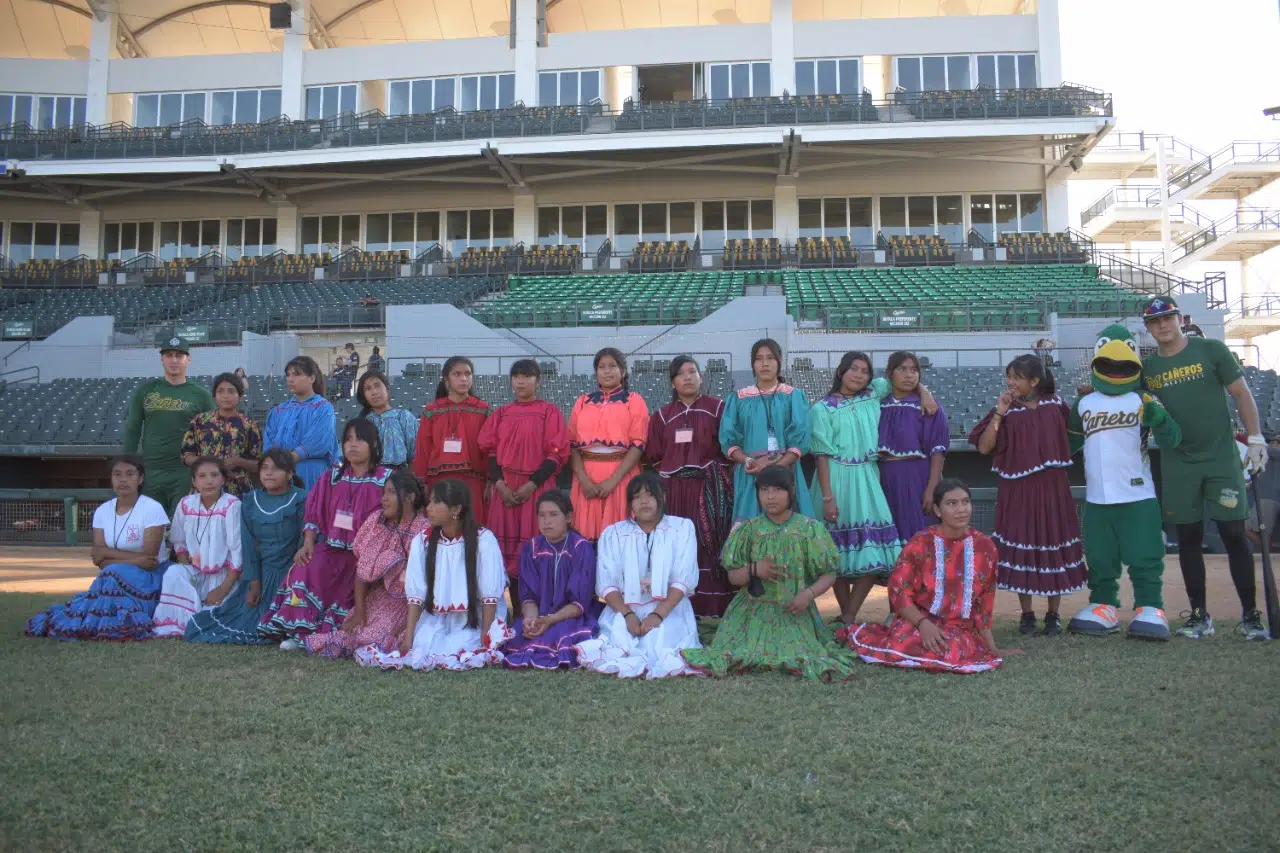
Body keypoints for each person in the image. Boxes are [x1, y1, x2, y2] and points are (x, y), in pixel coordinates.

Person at [1140, 296, 1269, 639]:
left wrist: (1255, 438)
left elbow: (1241, 393)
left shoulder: (1211, 350)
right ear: (1148, 328)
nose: (1162, 325)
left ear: (1180, 319)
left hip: (1220, 458)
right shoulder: (1149, 369)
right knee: (1189, 538)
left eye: (1167, 318)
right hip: (1178, 461)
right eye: (1154, 322)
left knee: (1234, 535)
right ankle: (1200, 616)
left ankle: (1251, 615)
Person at [683, 465, 857, 681]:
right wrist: (754, 569)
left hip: (794, 610)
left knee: (802, 655)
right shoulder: (748, 530)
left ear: (791, 491)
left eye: (777, 490)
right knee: (736, 654)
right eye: (764, 490)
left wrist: (808, 595)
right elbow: (733, 577)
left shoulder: (809, 529)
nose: (770, 497)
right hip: (751, 612)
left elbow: (829, 573)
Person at [1066, 324, 1182, 641]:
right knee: (1101, 557)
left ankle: (1149, 607)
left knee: (1145, 555)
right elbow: (1066, 445)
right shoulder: (1084, 404)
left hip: (1138, 494)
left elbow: (1173, 440)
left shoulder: (1143, 399)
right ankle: (1104, 606)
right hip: (1098, 497)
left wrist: (1160, 419)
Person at [970, 355, 1086, 635]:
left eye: (1017, 377)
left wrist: (1086, 400)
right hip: (1018, 491)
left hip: (1052, 489)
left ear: (1034, 381)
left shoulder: (1056, 405)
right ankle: (1027, 614)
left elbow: (1079, 433)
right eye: (1009, 376)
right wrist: (999, 412)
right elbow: (985, 448)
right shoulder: (1006, 410)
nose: (1010, 382)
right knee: (1024, 546)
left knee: (1052, 544)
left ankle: (1053, 615)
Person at [842, 479, 1003, 674]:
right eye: (951, 503)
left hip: (958, 628)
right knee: (905, 642)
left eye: (965, 502)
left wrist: (991, 647)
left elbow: (985, 600)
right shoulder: (921, 542)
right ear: (937, 510)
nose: (961, 509)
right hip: (917, 622)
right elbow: (898, 590)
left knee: (952, 649)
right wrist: (922, 624)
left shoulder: (985, 547)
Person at [259, 418, 391, 648]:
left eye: (359, 439)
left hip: (366, 555)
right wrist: (308, 542)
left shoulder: (385, 479)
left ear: (374, 444)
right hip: (332, 548)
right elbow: (314, 513)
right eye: (347, 439)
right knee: (303, 568)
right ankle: (299, 632)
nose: (352, 445)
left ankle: (326, 633)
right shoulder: (332, 477)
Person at [358, 478, 511, 671]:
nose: (428, 508)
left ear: (456, 510)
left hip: (476, 617)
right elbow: (416, 595)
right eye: (429, 501)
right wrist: (409, 637)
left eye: (436, 502)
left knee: (458, 648)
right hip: (438, 616)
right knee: (424, 645)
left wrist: (486, 635)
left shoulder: (484, 540)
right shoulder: (422, 541)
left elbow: (490, 596)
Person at [811, 351, 912, 625]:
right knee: (836, 556)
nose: (858, 375)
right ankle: (849, 619)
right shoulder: (823, 408)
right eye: (853, 369)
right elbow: (821, 455)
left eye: (864, 370)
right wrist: (827, 497)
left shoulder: (873, 395)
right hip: (836, 478)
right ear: (841, 371)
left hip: (868, 478)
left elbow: (904, 379)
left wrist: (925, 393)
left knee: (877, 550)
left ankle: (848, 615)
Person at [25, 455, 169, 641]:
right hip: (112, 574)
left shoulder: (152, 508)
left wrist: (109, 554)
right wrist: (135, 558)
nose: (123, 479)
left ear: (140, 479)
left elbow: (150, 560)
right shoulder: (102, 511)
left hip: (150, 576)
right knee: (111, 572)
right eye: (117, 474)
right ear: (111, 479)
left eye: (129, 474)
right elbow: (98, 559)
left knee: (112, 572)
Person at [574, 472, 701, 679]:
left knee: (660, 642)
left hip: (670, 608)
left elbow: (683, 579)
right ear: (630, 503)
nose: (644, 501)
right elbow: (607, 583)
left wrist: (657, 615)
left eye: (650, 495)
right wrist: (627, 615)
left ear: (663, 498)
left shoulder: (681, 528)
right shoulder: (613, 533)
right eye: (636, 496)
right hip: (624, 607)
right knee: (620, 641)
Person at [184, 450, 306, 644]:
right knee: (243, 619)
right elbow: (248, 547)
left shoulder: (302, 499)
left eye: (276, 469)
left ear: (290, 473)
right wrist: (253, 582)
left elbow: (305, 541)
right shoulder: (250, 501)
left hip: (292, 575)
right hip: (262, 574)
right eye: (264, 468)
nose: (268, 473)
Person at [306, 469, 429, 659]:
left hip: (411, 603)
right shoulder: (376, 522)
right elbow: (362, 570)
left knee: (373, 636)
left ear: (410, 497)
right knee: (355, 629)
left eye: (391, 492)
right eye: (383, 493)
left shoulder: (424, 530)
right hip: (380, 597)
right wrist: (360, 611)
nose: (384, 499)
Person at [646, 355, 735, 617]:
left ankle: (713, 609)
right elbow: (652, 456)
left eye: (692, 371)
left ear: (701, 376)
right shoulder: (662, 416)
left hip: (708, 490)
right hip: (673, 492)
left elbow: (729, 447)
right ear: (672, 382)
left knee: (708, 548)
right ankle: (674, 610)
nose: (687, 377)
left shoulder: (718, 408)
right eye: (681, 373)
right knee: (675, 548)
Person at [478, 359, 570, 592]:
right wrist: (499, 485)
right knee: (502, 560)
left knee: (539, 553)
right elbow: (490, 452)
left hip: (537, 490)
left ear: (538, 381)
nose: (521, 380)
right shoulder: (500, 413)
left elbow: (556, 454)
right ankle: (514, 613)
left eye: (527, 376)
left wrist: (531, 485)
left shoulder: (549, 411)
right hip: (506, 491)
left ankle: (542, 610)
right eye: (516, 376)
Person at [503, 490, 603, 669]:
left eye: (553, 515)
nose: (546, 521)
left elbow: (579, 603)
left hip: (571, 615)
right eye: (541, 515)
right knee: (521, 634)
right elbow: (528, 597)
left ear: (569, 517)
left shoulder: (581, 548)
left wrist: (550, 620)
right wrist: (531, 619)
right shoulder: (531, 548)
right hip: (542, 614)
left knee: (561, 637)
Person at [720, 338, 813, 523]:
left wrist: (778, 466)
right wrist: (749, 461)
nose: (764, 363)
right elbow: (729, 440)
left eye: (770, 358)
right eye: (759, 358)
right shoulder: (738, 398)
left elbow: (800, 440)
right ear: (752, 364)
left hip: (786, 471)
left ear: (779, 362)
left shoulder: (794, 396)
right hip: (751, 473)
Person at [122, 335, 215, 514]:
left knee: (180, 528)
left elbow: (211, 434)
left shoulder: (201, 395)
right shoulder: (145, 390)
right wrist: (128, 463)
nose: (174, 360)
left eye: (179, 355)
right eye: (169, 355)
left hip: (184, 471)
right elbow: (133, 428)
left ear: (188, 359)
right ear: (161, 359)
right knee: (150, 527)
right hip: (151, 470)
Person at [151, 457, 243, 637]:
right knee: (174, 572)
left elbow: (237, 552)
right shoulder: (186, 504)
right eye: (202, 476)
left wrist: (222, 590)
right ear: (194, 481)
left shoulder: (232, 505)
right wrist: (189, 567)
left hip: (224, 576)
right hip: (197, 572)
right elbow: (179, 541)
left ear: (223, 479)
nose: (208, 481)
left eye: (214, 475)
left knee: (213, 617)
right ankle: (182, 620)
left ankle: (201, 613)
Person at [568, 347, 649, 539]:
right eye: (602, 366)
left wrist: (613, 481)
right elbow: (572, 444)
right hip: (586, 479)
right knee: (585, 539)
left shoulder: (634, 401)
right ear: (595, 372)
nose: (607, 371)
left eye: (613, 366)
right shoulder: (582, 401)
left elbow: (638, 443)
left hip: (621, 476)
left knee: (620, 538)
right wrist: (584, 480)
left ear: (623, 371)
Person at [878, 350, 950, 543]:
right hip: (882, 476)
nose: (909, 374)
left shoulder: (929, 405)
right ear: (889, 373)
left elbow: (938, 451)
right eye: (902, 369)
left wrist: (931, 488)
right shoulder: (876, 404)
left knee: (919, 533)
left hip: (917, 475)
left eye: (914, 370)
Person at [413, 355, 491, 524]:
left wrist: (490, 481)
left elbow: (488, 449)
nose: (464, 378)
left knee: (473, 527)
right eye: (457, 374)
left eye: (468, 374)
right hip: (439, 481)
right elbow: (423, 448)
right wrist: (421, 482)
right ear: (446, 379)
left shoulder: (483, 409)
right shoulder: (431, 410)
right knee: (440, 528)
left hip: (473, 481)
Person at [263, 356, 338, 492]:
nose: (290, 379)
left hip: (311, 474)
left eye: (297, 374)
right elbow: (269, 440)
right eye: (288, 375)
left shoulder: (323, 408)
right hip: (281, 473)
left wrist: (287, 460)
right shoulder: (278, 410)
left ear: (312, 378)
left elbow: (317, 442)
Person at [181, 372, 262, 498]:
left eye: (231, 391)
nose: (226, 396)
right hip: (204, 488)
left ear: (240, 395)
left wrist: (238, 461)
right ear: (214, 395)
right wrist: (208, 463)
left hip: (238, 491)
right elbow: (186, 456)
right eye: (220, 391)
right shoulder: (199, 421)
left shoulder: (249, 425)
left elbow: (259, 464)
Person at [355, 370, 418, 468]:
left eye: (377, 385)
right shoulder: (363, 423)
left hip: (400, 479)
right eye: (368, 389)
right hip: (370, 479)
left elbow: (416, 454)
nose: (374, 392)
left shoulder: (404, 417)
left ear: (387, 388)